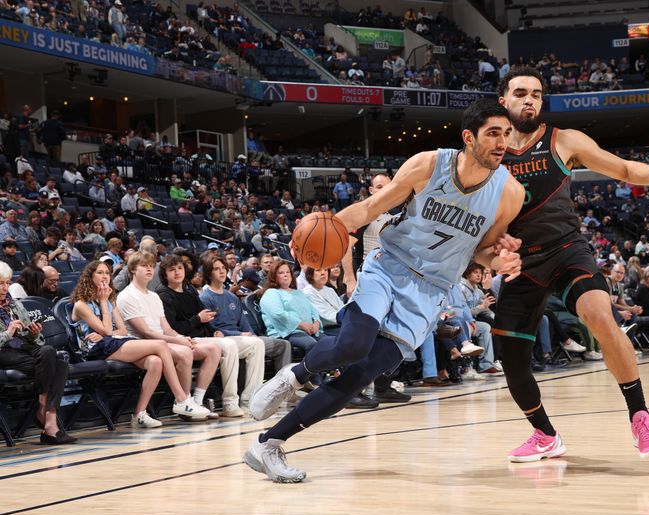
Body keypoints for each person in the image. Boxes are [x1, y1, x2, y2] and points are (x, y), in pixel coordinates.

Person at [244, 99, 524, 482]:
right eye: (494, 133)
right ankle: (294, 375)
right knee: (353, 345)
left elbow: (482, 250)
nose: (502, 142)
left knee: (361, 375)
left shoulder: (510, 192)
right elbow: (369, 209)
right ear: (468, 137)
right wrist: (318, 232)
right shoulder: (428, 164)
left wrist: (501, 262)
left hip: (430, 292)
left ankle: (268, 444)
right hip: (388, 266)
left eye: (506, 134)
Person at [494, 66, 649, 461]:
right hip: (520, 263)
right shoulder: (488, 152)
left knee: (601, 316)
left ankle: (640, 417)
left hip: (567, 250)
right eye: (520, 93)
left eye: (536, 93)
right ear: (504, 101)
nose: (529, 99)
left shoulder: (563, 140)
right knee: (511, 360)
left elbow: (622, 168)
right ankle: (545, 434)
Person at [71, 260, 194, 428]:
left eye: (107, 273)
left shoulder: (110, 300)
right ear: (89, 277)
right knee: (160, 345)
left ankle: (139, 415)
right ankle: (181, 398)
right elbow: (107, 330)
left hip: (112, 342)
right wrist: (102, 304)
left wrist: (105, 331)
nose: (105, 276)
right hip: (92, 350)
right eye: (100, 273)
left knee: (155, 362)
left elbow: (121, 331)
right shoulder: (81, 304)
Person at [158, 254, 270, 418]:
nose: (177, 272)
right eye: (172, 270)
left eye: (179, 268)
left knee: (256, 343)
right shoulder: (164, 295)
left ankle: (249, 399)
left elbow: (205, 320)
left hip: (205, 336)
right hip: (185, 339)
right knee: (229, 345)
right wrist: (198, 319)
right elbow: (173, 328)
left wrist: (213, 331)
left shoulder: (190, 293)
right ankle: (229, 402)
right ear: (164, 274)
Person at [116, 252, 212, 419]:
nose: (149, 269)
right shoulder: (127, 295)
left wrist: (180, 338)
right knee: (184, 352)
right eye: (144, 266)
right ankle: (183, 400)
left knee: (206, 348)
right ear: (132, 269)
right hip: (141, 344)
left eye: (151, 266)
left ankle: (189, 401)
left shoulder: (153, 296)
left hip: (160, 341)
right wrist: (176, 340)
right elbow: (145, 332)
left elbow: (166, 328)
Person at [198, 255, 292, 409]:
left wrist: (250, 335)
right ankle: (245, 398)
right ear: (209, 273)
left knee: (278, 344)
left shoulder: (231, 297)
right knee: (252, 344)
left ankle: (264, 394)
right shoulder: (205, 297)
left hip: (243, 339)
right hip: (225, 339)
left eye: (223, 268)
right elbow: (212, 330)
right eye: (216, 269)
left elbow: (244, 323)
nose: (222, 272)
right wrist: (239, 335)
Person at [0, 261, 76, 444]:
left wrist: (34, 333)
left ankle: (45, 411)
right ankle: (49, 423)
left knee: (53, 355)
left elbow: (38, 340)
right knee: (57, 364)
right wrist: (9, 332)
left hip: (23, 349)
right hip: (4, 352)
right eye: (0, 283)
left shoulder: (14, 304)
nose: (5, 287)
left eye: (7, 283)